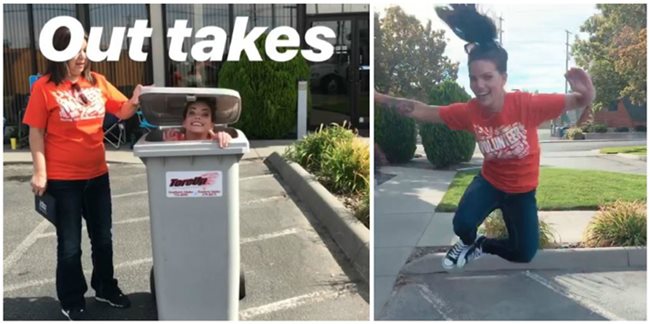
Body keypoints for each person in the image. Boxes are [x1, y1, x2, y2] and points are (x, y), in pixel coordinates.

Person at [375, 4, 595, 270]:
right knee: (462, 224)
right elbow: (423, 111)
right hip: (490, 182)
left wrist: (588, 92)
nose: (479, 85)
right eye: (474, 78)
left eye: (487, 77)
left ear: (503, 77)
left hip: (522, 192)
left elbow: (579, 100)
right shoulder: (470, 112)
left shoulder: (528, 105)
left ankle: (481, 246)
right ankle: (468, 241)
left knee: (524, 252)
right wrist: (378, 98)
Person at [23, 26, 143, 320]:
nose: (82, 57)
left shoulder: (97, 82)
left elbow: (122, 110)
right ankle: (72, 298)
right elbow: (35, 133)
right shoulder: (45, 88)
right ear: (59, 52)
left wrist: (138, 98)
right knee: (70, 245)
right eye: (76, 51)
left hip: (97, 176)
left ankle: (105, 287)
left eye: (85, 51)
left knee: (103, 238)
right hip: (64, 180)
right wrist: (40, 172)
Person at [161, 99, 233, 147]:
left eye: (205, 114)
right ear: (184, 122)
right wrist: (167, 146)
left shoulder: (216, 140)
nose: (197, 117)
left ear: (211, 125)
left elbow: (227, 142)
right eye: (192, 113)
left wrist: (224, 138)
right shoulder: (173, 138)